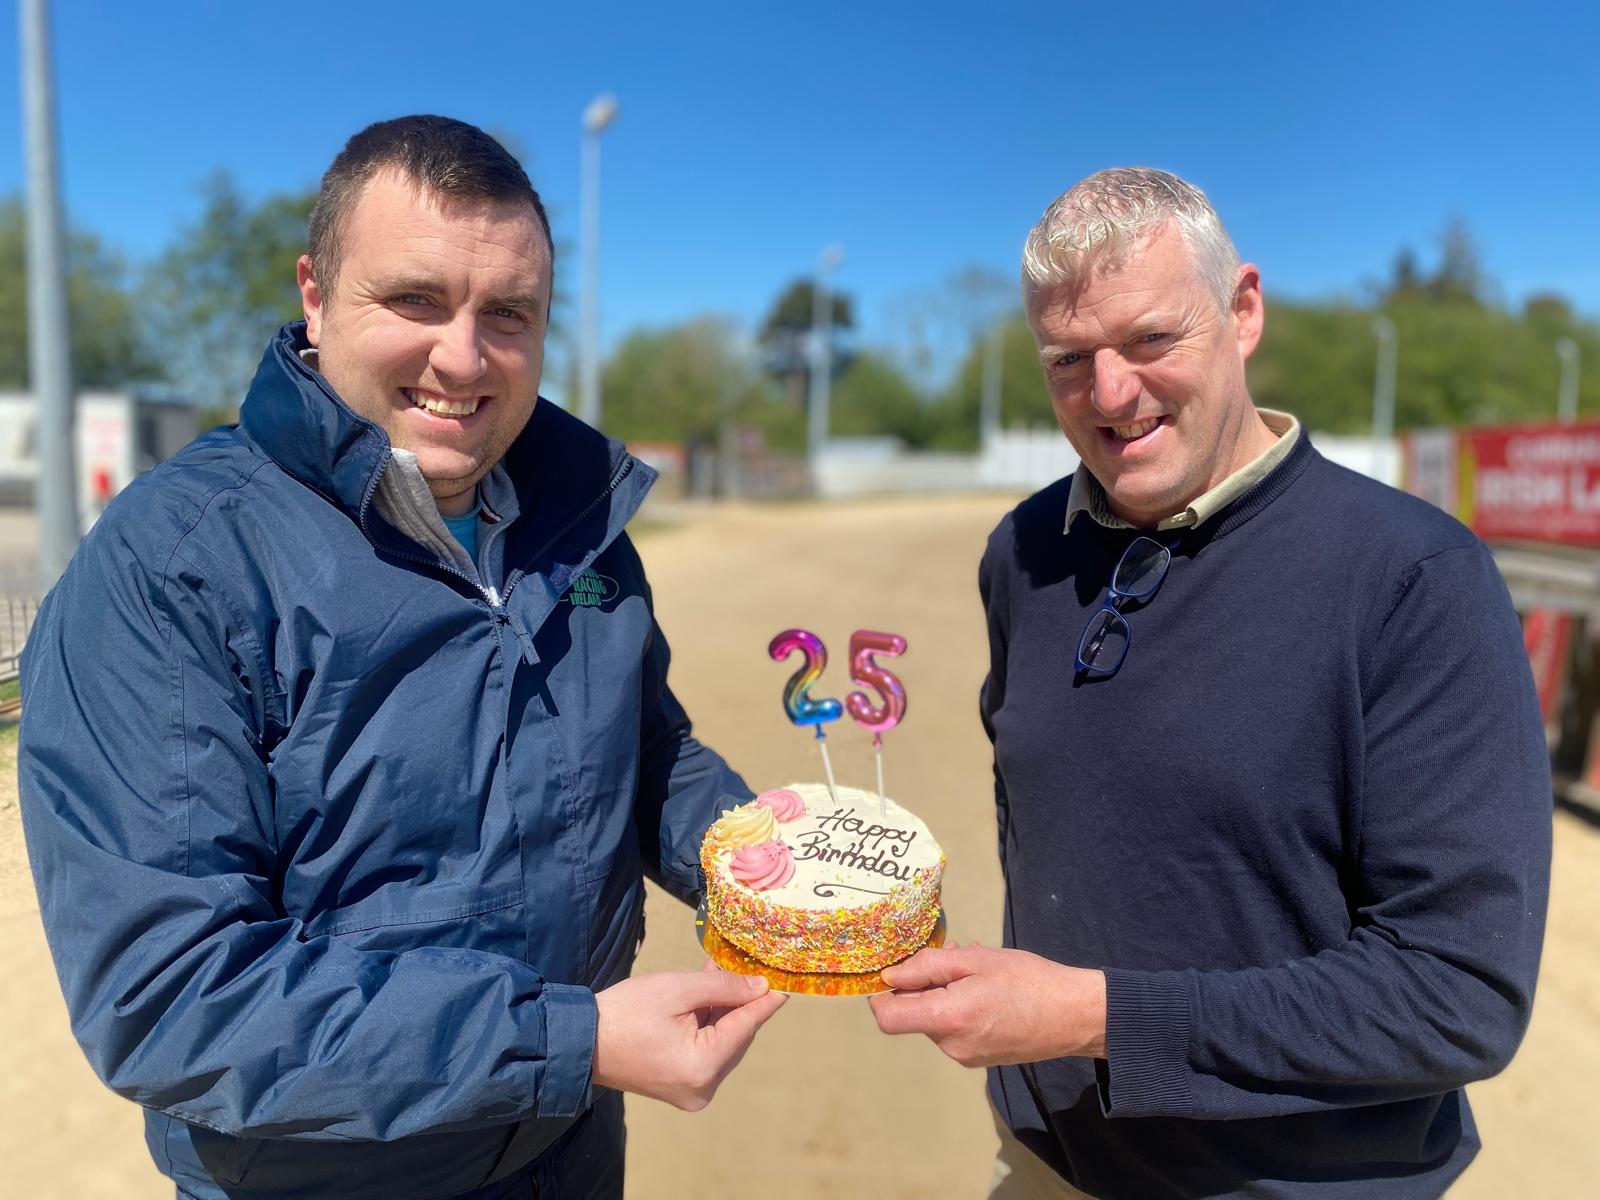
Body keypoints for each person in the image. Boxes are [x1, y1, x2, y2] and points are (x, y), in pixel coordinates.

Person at [18, 115, 784, 1200]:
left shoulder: (578, 518)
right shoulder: (173, 567)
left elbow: (643, 753)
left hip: (564, 1149)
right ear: (316, 296)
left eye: (507, 315)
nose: (463, 357)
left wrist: (769, 870)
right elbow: (169, 995)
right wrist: (568, 1044)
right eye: (415, 299)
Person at [870, 168, 1552, 1198]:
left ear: (1241, 311)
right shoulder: (1023, 552)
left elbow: (1456, 993)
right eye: (1068, 358)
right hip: (1052, 1165)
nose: (1109, 395)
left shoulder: (1413, 578)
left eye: (1151, 341)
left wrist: (1091, 1017)